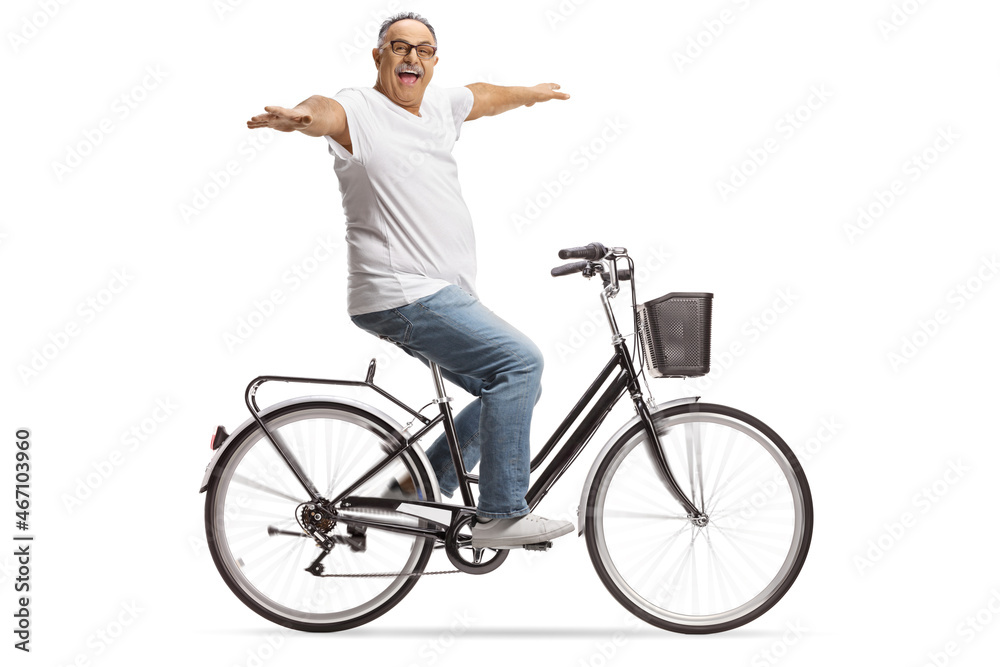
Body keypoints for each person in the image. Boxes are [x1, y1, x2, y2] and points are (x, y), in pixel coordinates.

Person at [246, 12, 572, 549]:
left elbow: (483, 95)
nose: (411, 58)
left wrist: (531, 94)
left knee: (517, 386)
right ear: (379, 56)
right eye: (399, 47)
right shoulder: (360, 109)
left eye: (423, 50)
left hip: (439, 294)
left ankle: (413, 490)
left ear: (434, 61)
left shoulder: (439, 105)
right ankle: (500, 515)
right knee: (520, 363)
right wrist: (302, 116)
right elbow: (326, 110)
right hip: (405, 292)